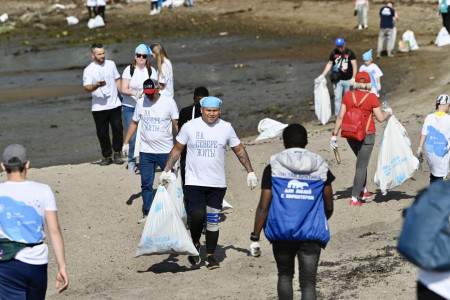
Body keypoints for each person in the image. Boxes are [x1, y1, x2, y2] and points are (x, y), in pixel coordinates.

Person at [159, 96, 258, 270]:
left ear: (220, 111)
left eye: (215, 111)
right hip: (194, 182)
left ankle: (210, 257)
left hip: (217, 183)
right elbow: (177, 149)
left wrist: (250, 171)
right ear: (201, 110)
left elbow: (239, 149)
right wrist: (166, 170)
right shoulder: (190, 127)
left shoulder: (226, 128)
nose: (212, 114)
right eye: (208, 111)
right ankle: (195, 242)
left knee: (213, 220)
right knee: (197, 216)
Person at [250, 124, 334, 300]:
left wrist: (255, 237)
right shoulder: (321, 166)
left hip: (281, 232)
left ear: (284, 143)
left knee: (285, 275)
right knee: (309, 284)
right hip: (311, 234)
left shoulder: (273, 167)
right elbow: (329, 205)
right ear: (307, 142)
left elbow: (264, 206)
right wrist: (318, 220)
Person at [0, 144, 69, 298]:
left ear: (3, 167)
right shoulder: (43, 190)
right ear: (27, 164)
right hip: (37, 261)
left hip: (7, 262)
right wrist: (62, 266)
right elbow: (54, 231)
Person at [330, 71, 392, 206]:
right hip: (367, 135)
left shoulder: (348, 95)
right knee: (361, 166)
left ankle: (363, 190)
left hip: (350, 134)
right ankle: (354, 198)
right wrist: (388, 112)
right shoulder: (372, 97)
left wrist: (334, 136)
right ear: (369, 83)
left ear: (356, 82)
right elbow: (380, 118)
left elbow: (340, 117)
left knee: (361, 163)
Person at [122, 78, 179, 224]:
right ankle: (148, 213)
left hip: (165, 150)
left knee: (172, 181)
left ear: (158, 88)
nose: (148, 95)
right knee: (146, 183)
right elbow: (134, 122)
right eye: (146, 93)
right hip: (146, 150)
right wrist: (126, 142)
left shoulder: (168, 102)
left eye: (151, 92)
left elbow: (176, 124)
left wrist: (180, 148)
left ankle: (175, 211)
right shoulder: (141, 102)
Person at [83, 42, 124, 166]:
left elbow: (117, 79)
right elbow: (87, 87)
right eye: (99, 54)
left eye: (103, 53)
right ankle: (106, 156)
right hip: (99, 107)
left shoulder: (111, 64)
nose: (102, 55)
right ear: (93, 55)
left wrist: (123, 93)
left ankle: (117, 152)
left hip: (115, 104)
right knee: (102, 133)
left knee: (118, 128)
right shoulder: (89, 70)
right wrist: (97, 85)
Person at [121, 44, 157, 173]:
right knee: (133, 135)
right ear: (135, 56)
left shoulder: (151, 70)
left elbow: (155, 88)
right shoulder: (129, 69)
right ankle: (131, 161)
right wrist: (134, 93)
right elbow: (123, 89)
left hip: (146, 106)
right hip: (130, 106)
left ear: (147, 57)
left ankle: (145, 161)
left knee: (146, 134)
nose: (141, 58)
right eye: (138, 55)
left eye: (144, 56)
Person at [178, 87, 210, 221]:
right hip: (188, 156)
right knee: (189, 187)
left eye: (204, 103)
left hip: (206, 156)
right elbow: (180, 135)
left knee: (205, 188)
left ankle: (203, 220)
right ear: (193, 101)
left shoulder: (212, 114)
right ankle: (191, 217)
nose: (200, 106)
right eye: (198, 103)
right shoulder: (185, 112)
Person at [317, 37, 357, 117]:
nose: (339, 48)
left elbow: (354, 65)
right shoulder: (334, 53)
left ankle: (348, 116)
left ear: (344, 44)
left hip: (348, 80)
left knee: (348, 99)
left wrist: (353, 78)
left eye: (341, 46)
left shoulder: (350, 53)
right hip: (337, 81)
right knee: (338, 99)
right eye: (338, 46)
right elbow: (329, 64)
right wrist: (322, 75)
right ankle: (338, 116)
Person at [416, 94, 450, 183]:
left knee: (434, 173)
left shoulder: (429, 117)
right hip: (441, 155)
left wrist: (420, 148)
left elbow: (424, 133)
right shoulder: (448, 119)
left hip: (430, 154)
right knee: (442, 176)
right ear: (447, 105)